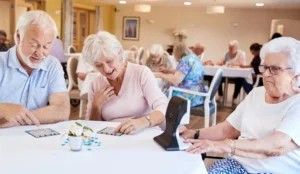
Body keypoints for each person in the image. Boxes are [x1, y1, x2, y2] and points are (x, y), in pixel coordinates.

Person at [180, 37, 300, 174]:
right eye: (265, 67)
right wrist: (194, 134)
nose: (266, 74)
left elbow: (276, 144)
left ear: (295, 76)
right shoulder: (256, 94)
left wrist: (224, 146)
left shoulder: (297, 102)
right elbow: (226, 130)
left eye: (274, 69)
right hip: (238, 165)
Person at [82, 31, 168, 135]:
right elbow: (91, 127)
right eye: (98, 65)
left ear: (119, 53)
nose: (106, 69)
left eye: (109, 61)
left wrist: (142, 122)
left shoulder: (141, 73)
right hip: (111, 139)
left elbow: (163, 108)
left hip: (143, 135)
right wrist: (96, 106)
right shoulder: (95, 84)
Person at [0, 10, 70, 128]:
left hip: (34, 137)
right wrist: (2, 108)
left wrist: (18, 117)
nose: (40, 53)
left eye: (47, 46)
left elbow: (62, 110)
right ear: (18, 37)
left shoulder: (52, 65)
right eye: (33, 44)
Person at [155, 42, 206, 107]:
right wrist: (168, 70)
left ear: (177, 52)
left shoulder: (185, 60)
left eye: (174, 52)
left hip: (189, 96)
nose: (173, 55)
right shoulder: (194, 57)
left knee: (160, 97)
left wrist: (161, 75)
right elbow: (185, 73)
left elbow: (176, 81)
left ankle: (163, 116)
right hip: (199, 95)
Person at [216, 40, 247, 104]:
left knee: (240, 80)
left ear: (236, 48)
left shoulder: (241, 53)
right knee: (217, 77)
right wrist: (222, 62)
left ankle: (235, 97)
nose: (230, 49)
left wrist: (230, 63)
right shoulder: (226, 54)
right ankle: (221, 95)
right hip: (226, 74)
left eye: (231, 48)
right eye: (229, 47)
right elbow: (218, 62)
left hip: (237, 75)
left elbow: (242, 64)